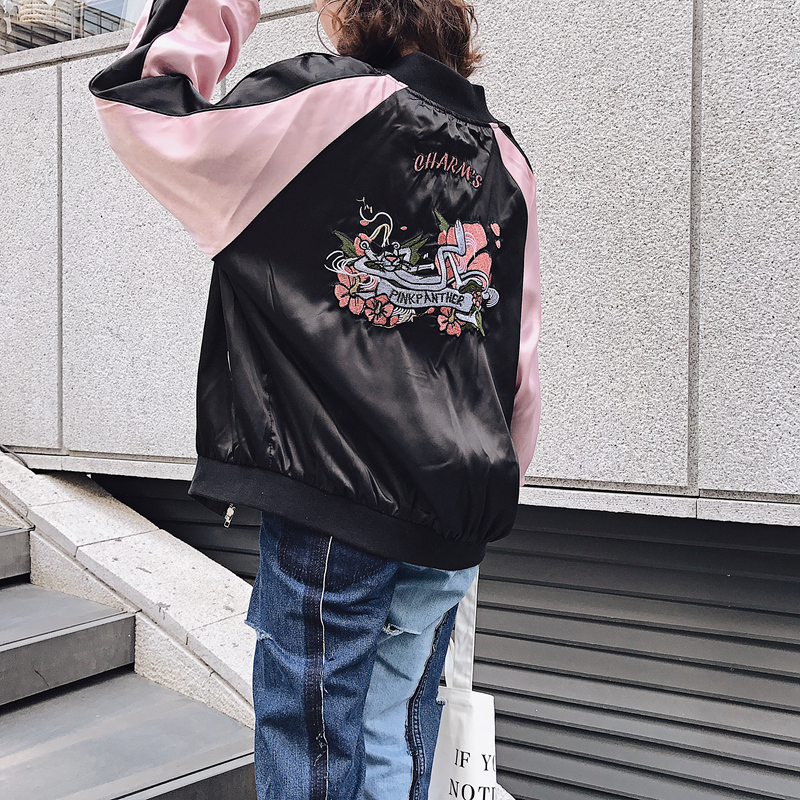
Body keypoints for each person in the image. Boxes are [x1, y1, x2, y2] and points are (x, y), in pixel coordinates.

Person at [88, 0, 541, 797]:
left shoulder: (328, 106)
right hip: (457, 515)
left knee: (316, 753)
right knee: (395, 734)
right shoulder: (506, 157)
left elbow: (143, 103)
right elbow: (517, 371)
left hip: (338, 502)